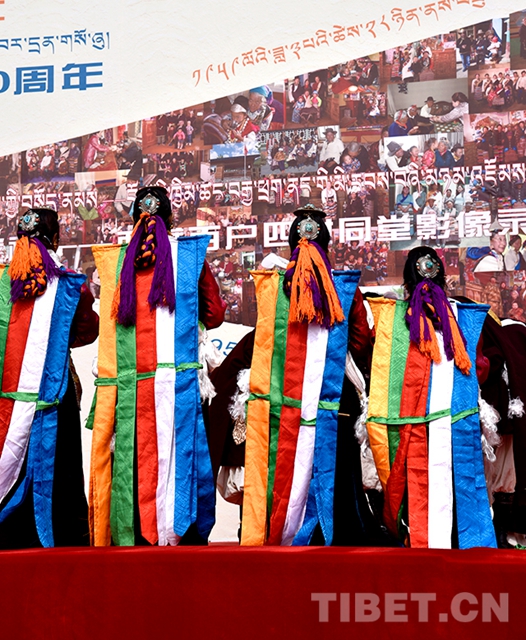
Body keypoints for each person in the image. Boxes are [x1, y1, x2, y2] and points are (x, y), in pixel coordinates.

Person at [208, 204, 394, 547]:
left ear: (291, 244)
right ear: (328, 245)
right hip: (334, 393)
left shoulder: (273, 287)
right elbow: (359, 342)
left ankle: (270, 527)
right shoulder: (344, 288)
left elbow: (268, 340)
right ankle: (333, 530)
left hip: (283, 390)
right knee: (337, 468)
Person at [88, 186, 226, 547]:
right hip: (180, 383)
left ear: (134, 218)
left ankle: (134, 535)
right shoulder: (190, 258)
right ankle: (183, 536)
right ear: (171, 219)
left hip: (131, 384)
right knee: (182, 456)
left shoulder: (117, 261)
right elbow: (215, 315)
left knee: (135, 457)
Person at [366, 246, 496, 549]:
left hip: (406, 418)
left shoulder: (392, 318)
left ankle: (415, 539)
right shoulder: (462, 315)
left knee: (413, 484)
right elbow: (479, 367)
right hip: (456, 417)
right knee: (459, 482)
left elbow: (380, 364)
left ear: (406, 280)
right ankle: (460, 545)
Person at [0, 208, 99, 548]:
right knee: (61, 462)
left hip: (8, 390)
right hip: (56, 389)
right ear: (55, 239)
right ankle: (62, 536)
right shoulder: (70, 285)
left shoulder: (3, 284)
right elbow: (88, 330)